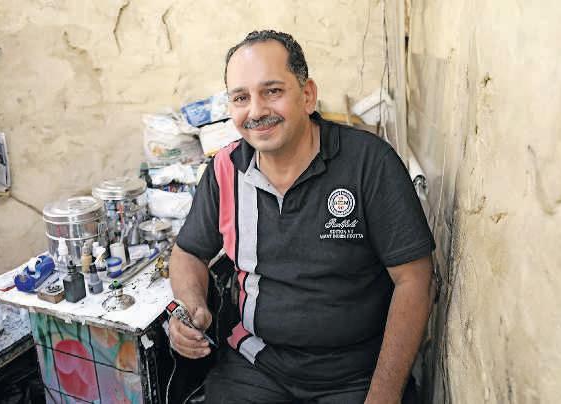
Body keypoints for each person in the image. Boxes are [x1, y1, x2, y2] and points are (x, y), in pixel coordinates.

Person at [169, 30, 435, 404]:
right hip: (258, 365)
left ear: (307, 95)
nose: (256, 111)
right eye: (241, 98)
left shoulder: (368, 163)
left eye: (272, 91)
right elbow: (187, 253)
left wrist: (383, 395)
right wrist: (192, 306)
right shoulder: (225, 171)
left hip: (356, 373)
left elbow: (415, 280)